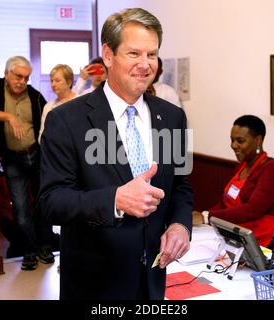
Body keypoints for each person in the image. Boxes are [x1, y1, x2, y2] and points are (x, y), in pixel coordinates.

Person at [38, 8, 193, 300]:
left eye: (152, 54)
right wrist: (114, 200)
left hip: (153, 282)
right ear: (108, 55)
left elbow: (181, 186)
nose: (146, 65)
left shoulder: (173, 117)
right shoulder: (65, 119)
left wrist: (180, 225)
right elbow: (50, 201)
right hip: (94, 284)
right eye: (134, 54)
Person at [0, 56, 55, 270]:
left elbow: (48, 120)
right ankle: (28, 251)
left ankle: (45, 246)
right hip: (12, 159)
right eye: (18, 76)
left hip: (37, 156)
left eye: (26, 78)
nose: (22, 81)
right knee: (21, 209)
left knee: (43, 203)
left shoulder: (35, 96)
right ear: (7, 73)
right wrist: (9, 117)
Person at [201, 115, 274, 247]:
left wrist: (209, 217)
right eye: (232, 140)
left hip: (266, 241)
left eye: (240, 141)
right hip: (239, 232)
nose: (233, 145)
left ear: (258, 140)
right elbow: (225, 202)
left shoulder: (272, 169)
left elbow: (253, 210)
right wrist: (204, 217)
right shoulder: (243, 165)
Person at [38, 64, 78, 143]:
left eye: (57, 81)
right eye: (51, 81)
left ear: (69, 82)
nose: (53, 84)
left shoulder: (81, 102)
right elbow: (41, 137)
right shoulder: (48, 107)